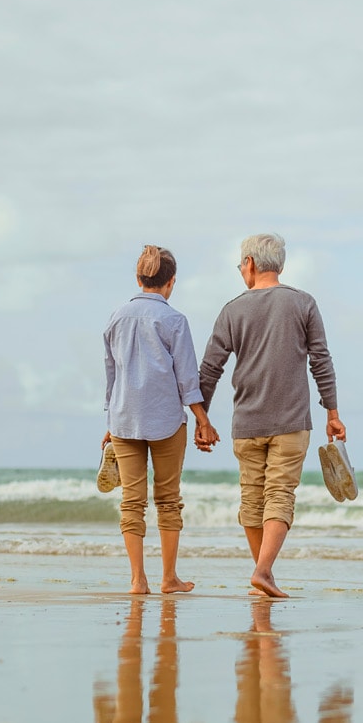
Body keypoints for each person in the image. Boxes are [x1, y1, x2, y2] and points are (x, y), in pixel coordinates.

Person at [199, 234, 344, 598]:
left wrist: (202, 419)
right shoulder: (303, 303)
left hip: (246, 423)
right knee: (279, 495)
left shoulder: (232, 310)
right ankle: (263, 572)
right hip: (292, 422)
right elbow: (321, 362)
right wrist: (332, 411)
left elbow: (209, 370)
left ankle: (262, 576)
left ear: (249, 263)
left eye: (240, 266)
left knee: (251, 499)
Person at [102, 245, 221, 595]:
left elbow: (111, 375)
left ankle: (138, 580)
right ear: (170, 283)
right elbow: (186, 378)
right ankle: (169, 579)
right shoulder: (174, 320)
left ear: (138, 280)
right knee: (168, 500)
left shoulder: (115, 317)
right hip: (167, 420)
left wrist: (111, 420)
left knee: (131, 502)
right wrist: (203, 420)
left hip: (124, 419)